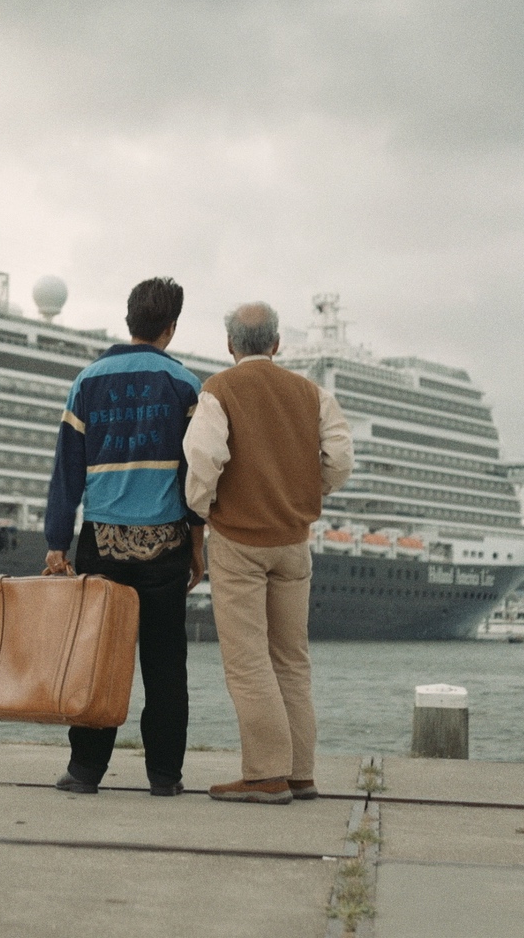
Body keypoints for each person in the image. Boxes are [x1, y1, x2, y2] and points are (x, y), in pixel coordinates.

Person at [183, 302, 352, 804]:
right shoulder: (313, 394)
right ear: (277, 344)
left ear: (230, 346)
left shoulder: (219, 389)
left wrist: (203, 507)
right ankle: (300, 773)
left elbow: (204, 458)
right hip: (294, 541)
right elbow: (340, 460)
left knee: (248, 659)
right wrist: (308, 491)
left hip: (239, 539)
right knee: (292, 660)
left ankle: (264, 775)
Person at [44, 276, 206, 796]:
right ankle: (164, 776)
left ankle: (86, 770)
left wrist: (56, 542)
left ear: (129, 319)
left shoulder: (87, 381)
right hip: (166, 544)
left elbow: (66, 471)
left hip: (101, 543)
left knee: (98, 657)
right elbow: (195, 475)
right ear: (171, 327)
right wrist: (197, 546)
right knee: (164, 664)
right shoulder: (185, 385)